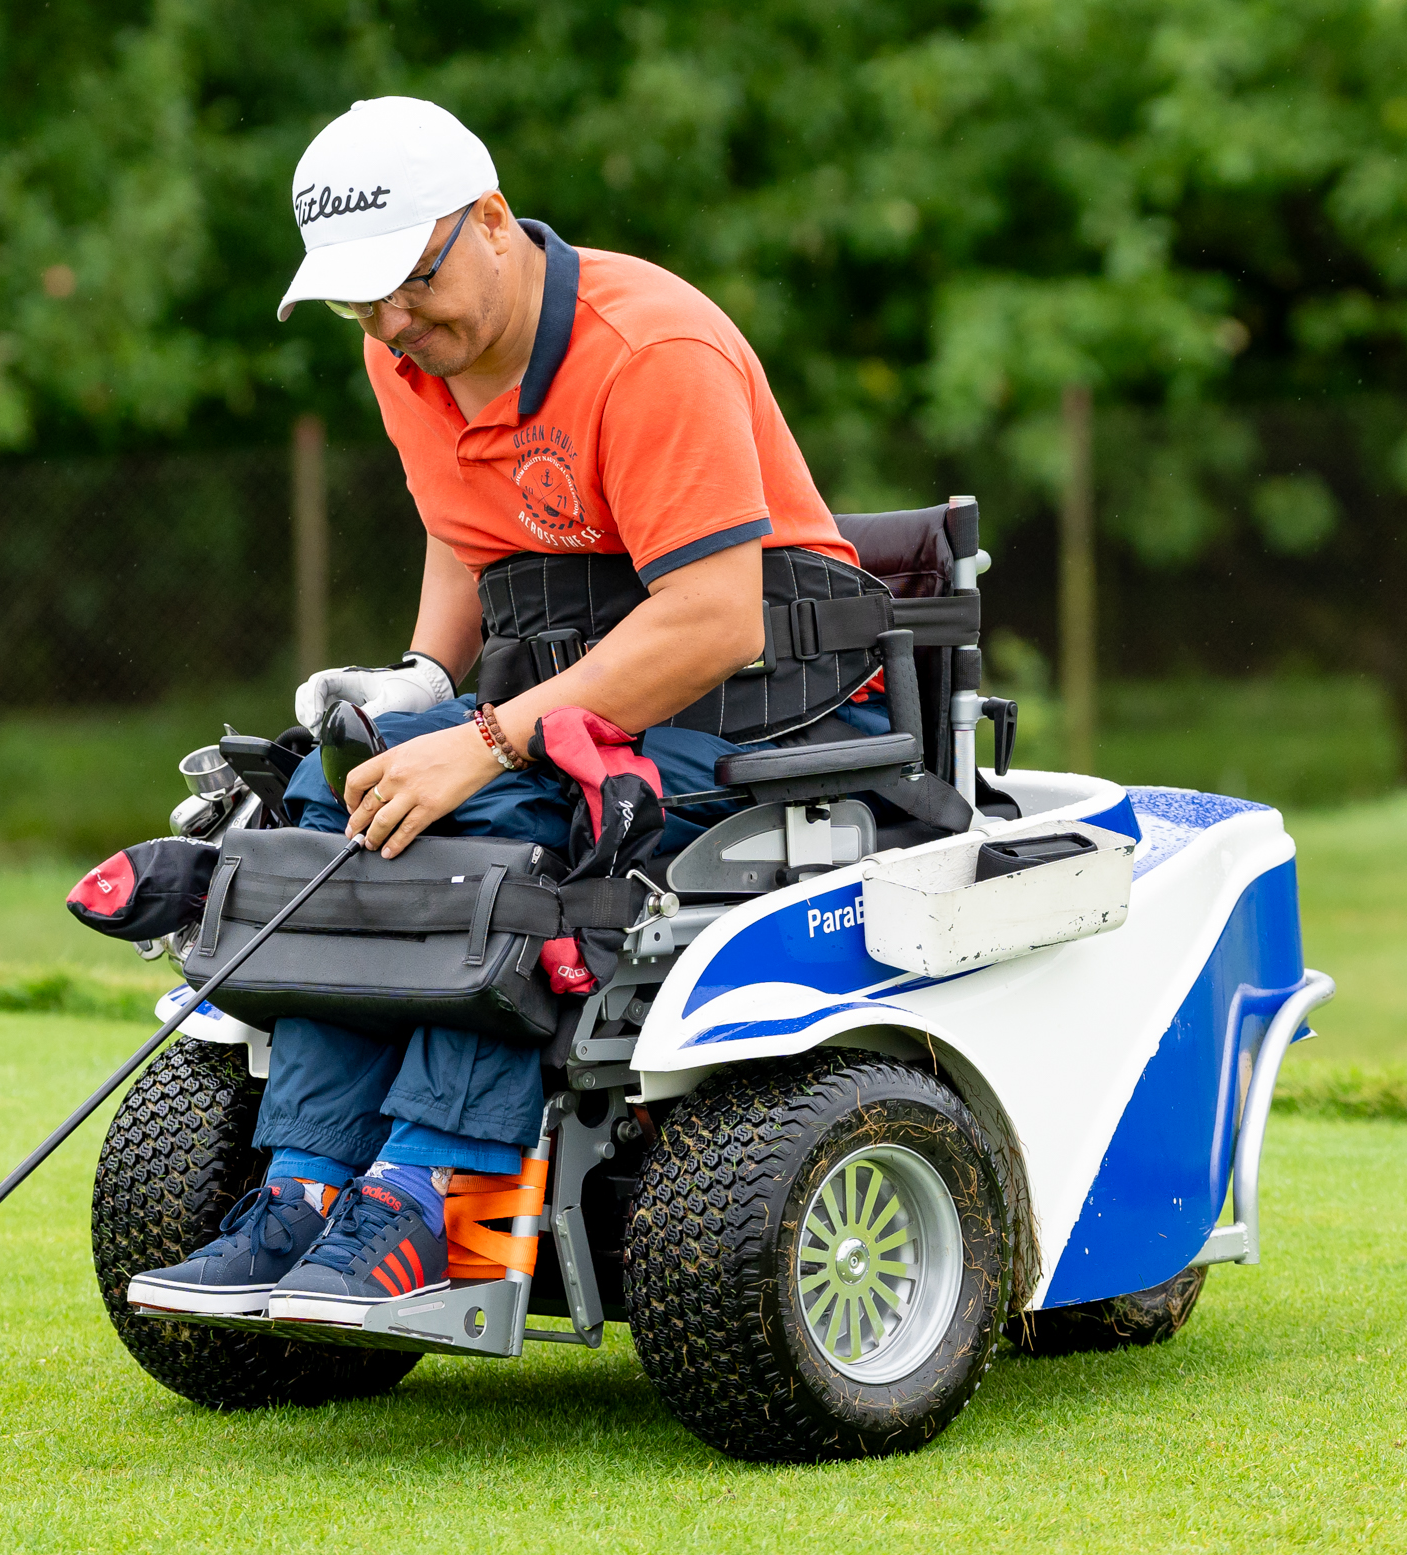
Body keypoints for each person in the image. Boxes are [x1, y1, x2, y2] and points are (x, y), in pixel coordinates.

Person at [127, 96, 897, 1320]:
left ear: (489, 222)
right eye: (358, 301)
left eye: (410, 283)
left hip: (764, 704)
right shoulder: (405, 354)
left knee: (508, 825)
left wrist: (481, 743)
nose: (388, 325)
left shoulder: (647, 350)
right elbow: (467, 531)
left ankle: (431, 1196)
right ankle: (309, 1188)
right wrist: (421, 688)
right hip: (582, 695)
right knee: (336, 799)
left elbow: (714, 621)